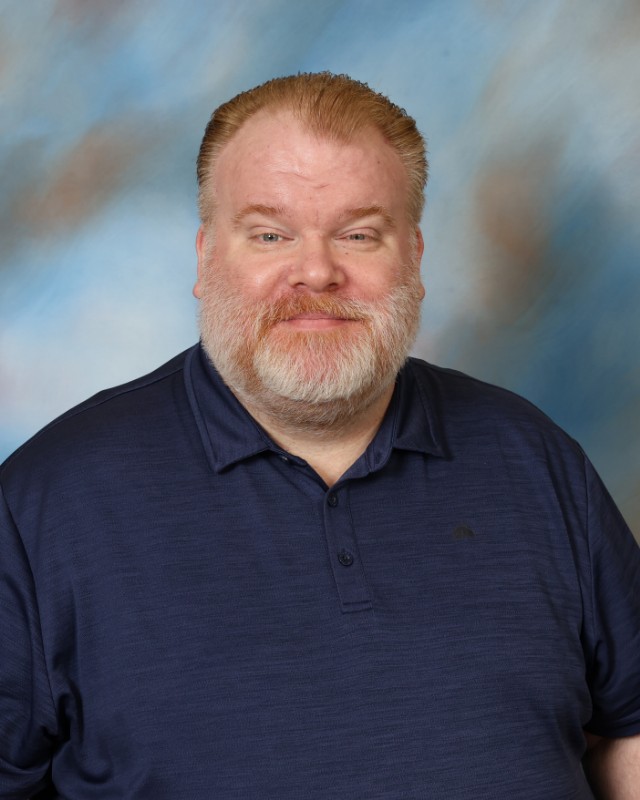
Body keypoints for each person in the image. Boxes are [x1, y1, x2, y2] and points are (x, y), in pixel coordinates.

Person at [1, 72, 638, 799]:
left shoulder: (535, 460)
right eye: (270, 235)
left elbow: (627, 727)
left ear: (415, 258)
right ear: (205, 259)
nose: (316, 271)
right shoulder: (45, 502)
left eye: (358, 234)